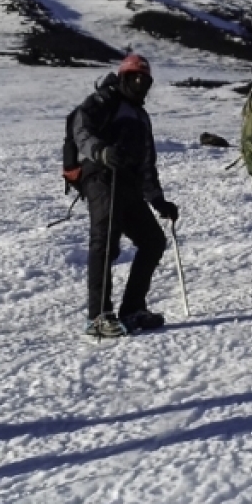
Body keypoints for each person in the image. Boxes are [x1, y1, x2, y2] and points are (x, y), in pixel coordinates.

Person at [70, 54, 179, 337]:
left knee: (153, 240)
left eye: (145, 80)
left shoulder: (141, 116)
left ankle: (132, 310)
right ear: (124, 77)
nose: (140, 83)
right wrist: (102, 152)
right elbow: (80, 128)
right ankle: (98, 316)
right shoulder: (104, 101)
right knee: (105, 241)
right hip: (101, 176)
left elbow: (147, 163)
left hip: (127, 183)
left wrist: (157, 200)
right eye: (135, 78)